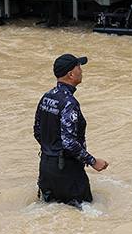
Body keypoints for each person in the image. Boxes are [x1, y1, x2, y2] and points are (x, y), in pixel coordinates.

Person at [33, 54, 108, 206]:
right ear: (70, 74)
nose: (82, 72)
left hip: (46, 168)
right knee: (84, 215)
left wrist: (51, 151)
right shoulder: (69, 103)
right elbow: (69, 143)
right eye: (79, 68)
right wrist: (93, 161)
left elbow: (37, 131)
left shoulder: (47, 97)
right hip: (66, 171)